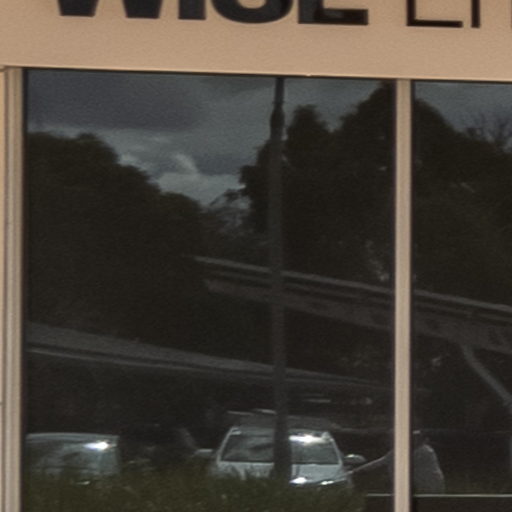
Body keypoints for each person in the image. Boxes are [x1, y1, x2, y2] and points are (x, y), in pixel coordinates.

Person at [352, 431, 445, 494]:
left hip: (431, 485)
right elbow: (380, 462)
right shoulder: (400, 450)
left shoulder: (426, 451)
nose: (414, 440)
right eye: (413, 438)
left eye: (417, 438)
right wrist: (356, 471)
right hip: (413, 487)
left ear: (423, 440)